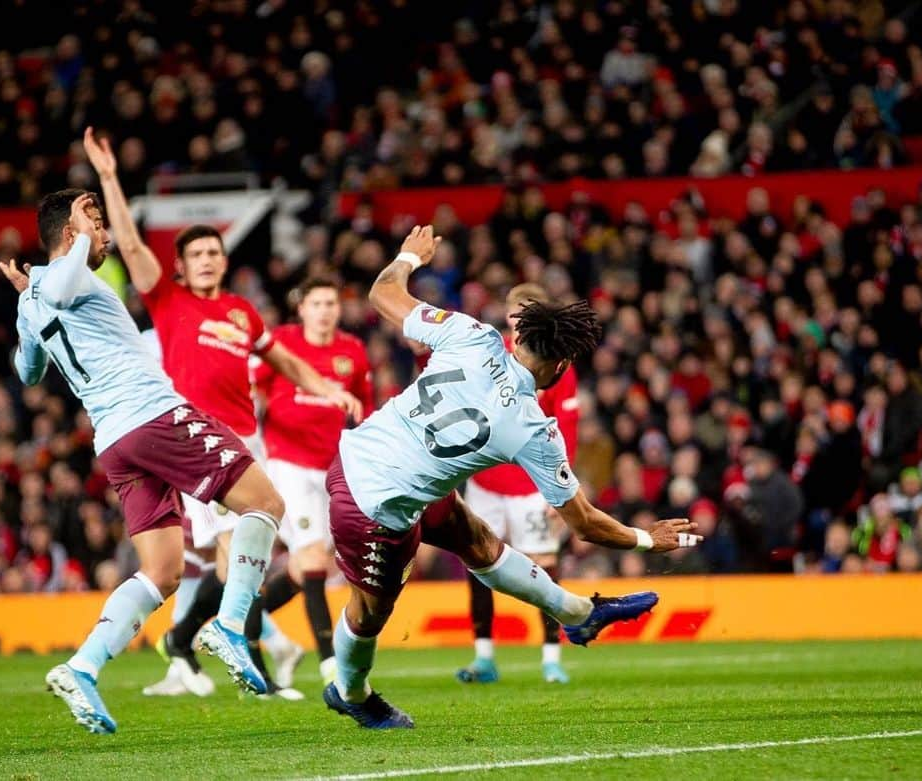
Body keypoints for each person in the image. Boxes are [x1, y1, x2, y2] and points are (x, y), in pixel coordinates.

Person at [322, 226, 701, 729]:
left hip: (367, 457)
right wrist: (645, 541)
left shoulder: (471, 335)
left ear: (516, 335)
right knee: (370, 614)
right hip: (370, 505)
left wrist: (409, 257)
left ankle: (577, 615)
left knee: (474, 537)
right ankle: (351, 691)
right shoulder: (531, 428)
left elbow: (382, 294)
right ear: (563, 365)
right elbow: (585, 524)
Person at [82, 127, 360, 699]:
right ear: (179, 268)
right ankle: (231, 642)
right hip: (192, 439)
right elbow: (131, 247)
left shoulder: (241, 314)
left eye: (215, 251)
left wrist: (328, 389)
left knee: (232, 553)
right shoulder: (168, 299)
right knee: (231, 553)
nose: (208, 259)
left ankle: (199, 644)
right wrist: (110, 179)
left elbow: (283, 360)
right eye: (197, 254)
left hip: (244, 440)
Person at [1, 189, 286, 734]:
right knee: (266, 502)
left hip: (114, 442)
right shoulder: (70, 273)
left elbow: (28, 372)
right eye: (95, 222)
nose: (103, 234)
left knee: (162, 571)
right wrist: (68, 256)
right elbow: (61, 286)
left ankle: (82, 666)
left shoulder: (32, 297)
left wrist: (28, 296)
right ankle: (230, 624)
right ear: (71, 230)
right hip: (152, 416)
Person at [253, 276, 375, 688]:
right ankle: (330, 665)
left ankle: (245, 619)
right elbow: (254, 392)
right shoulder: (280, 344)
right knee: (313, 560)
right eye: (317, 302)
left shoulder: (352, 351)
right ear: (301, 308)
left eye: (331, 303)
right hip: (287, 464)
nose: (325, 310)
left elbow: (365, 410)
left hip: (332, 470)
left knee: (309, 566)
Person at [456, 282, 579, 685]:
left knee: (544, 566)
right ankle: (484, 658)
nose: (520, 320)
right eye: (515, 313)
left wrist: (559, 488)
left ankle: (550, 658)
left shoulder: (558, 363)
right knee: (478, 563)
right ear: (507, 317)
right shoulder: (489, 355)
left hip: (530, 486)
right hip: (486, 482)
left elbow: (568, 427)